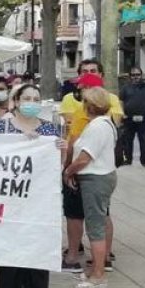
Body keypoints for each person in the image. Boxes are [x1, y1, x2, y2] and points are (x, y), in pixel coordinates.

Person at [0, 83, 65, 288]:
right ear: (17, 101)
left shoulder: (50, 130)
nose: (31, 103)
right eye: (27, 98)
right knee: (10, 248)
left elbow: (57, 168)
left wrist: (62, 150)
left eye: (35, 99)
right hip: (11, 201)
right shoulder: (2, 129)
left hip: (40, 202)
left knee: (38, 246)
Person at [59, 65, 123, 272]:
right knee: (101, 214)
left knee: (84, 218)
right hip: (101, 173)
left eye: (83, 88)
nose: (80, 92)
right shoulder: (107, 113)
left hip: (89, 175)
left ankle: (94, 268)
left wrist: (68, 169)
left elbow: (79, 147)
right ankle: (102, 258)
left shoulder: (94, 120)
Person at [119, 67, 145, 167]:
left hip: (144, 118)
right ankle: (128, 160)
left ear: (141, 75)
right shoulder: (125, 87)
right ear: (130, 76)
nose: (135, 77)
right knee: (128, 141)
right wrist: (121, 113)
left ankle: (144, 161)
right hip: (129, 118)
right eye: (133, 75)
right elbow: (120, 101)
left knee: (144, 140)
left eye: (138, 75)